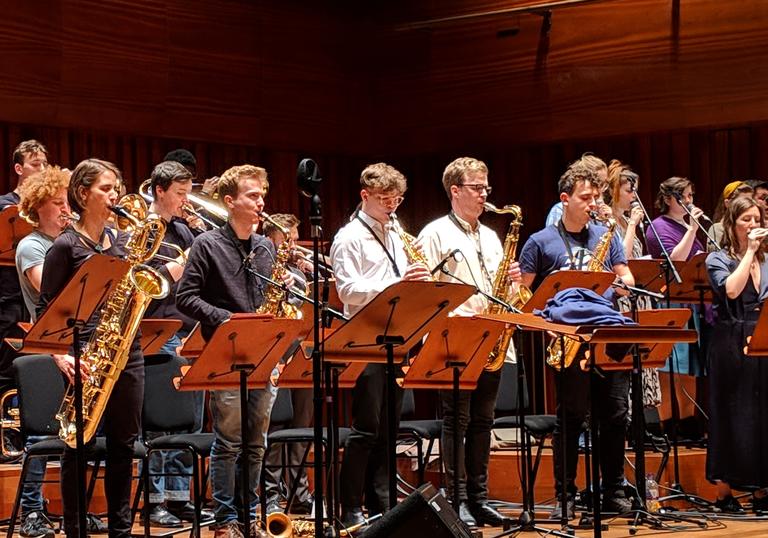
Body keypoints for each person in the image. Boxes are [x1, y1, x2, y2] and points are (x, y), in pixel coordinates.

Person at [177, 164, 293, 538]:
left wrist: (285, 289)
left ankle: (250, 516)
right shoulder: (207, 245)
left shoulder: (265, 247)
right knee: (229, 442)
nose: (262, 202)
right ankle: (225, 519)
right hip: (225, 354)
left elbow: (270, 300)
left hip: (263, 354)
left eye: (262, 195)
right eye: (253, 196)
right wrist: (226, 318)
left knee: (257, 443)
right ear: (230, 202)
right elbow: (185, 297)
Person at [519, 161, 635, 519]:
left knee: (615, 414)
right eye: (585, 197)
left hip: (605, 332)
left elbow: (626, 275)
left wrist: (618, 284)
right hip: (567, 338)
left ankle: (613, 490)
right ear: (564, 199)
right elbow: (522, 293)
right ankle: (564, 495)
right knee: (571, 418)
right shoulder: (540, 242)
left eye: (597, 196)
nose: (593, 202)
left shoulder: (606, 234)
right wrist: (547, 324)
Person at [38, 159, 142, 538]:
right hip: (83, 355)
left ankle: (121, 530)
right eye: (105, 189)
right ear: (83, 194)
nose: (114, 195)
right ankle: (75, 529)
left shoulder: (126, 242)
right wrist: (60, 354)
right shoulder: (65, 246)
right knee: (77, 443)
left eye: (116, 188)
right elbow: (44, 310)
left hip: (127, 351)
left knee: (123, 445)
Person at [418, 157, 518, 527]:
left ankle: (478, 498)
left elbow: (501, 287)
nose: (484, 195)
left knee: (483, 421)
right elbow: (425, 290)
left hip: (492, 336)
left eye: (486, 187)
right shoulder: (434, 233)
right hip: (456, 338)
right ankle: (456, 498)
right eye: (477, 188)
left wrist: (514, 281)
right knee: (456, 420)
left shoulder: (491, 236)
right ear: (455, 191)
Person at [330, 162, 431, 527]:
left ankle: (383, 503)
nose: (392, 205)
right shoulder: (348, 237)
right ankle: (350, 507)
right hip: (362, 339)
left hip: (396, 337)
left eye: (397, 199)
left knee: (390, 428)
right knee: (366, 428)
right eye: (385, 198)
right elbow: (347, 291)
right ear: (365, 195)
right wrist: (394, 284)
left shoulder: (396, 233)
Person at [142, 160, 214, 526]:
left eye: (189, 194)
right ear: (159, 191)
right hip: (158, 332)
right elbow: (141, 285)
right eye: (181, 194)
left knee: (190, 423)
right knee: (161, 424)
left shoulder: (187, 232)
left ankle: (179, 496)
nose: (187, 201)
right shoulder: (141, 231)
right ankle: (155, 500)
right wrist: (175, 267)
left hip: (190, 334)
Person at [13, 165, 71, 538]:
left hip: (81, 346)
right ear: (38, 207)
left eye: (68, 202)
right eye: (57, 203)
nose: (66, 210)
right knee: (40, 436)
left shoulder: (74, 240)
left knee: (78, 433)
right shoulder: (31, 246)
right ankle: (31, 511)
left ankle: (75, 506)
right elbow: (51, 295)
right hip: (51, 346)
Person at [705, 196, 768, 513]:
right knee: (730, 413)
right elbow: (731, 290)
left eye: (757, 219)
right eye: (746, 219)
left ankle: (760, 490)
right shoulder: (718, 258)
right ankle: (723, 492)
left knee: (762, 413)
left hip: (762, 334)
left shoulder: (767, 260)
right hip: (730, 340)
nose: (754, 225)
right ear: (732, 224)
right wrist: (751, 253)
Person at [261, 213, 314, 516]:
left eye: (295, 238)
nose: (292, 245)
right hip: (275, 353)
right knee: (276, 430)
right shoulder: (262, 265)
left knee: (300, 428)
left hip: (300, 353)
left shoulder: (297, 271)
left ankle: (298, 493)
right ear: (271, 238)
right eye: (287, 239)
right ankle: (269, 496)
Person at [605, 160, 661, 409]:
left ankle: (641, 416)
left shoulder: (627, 220)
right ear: (615, 191)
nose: (634, 196)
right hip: (620, 297)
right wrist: (632, 226)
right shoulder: (610, 222)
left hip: (637, 295)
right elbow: (621, 259)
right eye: (629, 190)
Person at [0, 141, 49, 390]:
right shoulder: (4, 204)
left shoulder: (48, 209)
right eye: (35, 164)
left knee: (37, 361)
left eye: (44, 164)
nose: (42, 169)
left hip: (37, 294)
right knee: (7, 362)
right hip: (10, 296)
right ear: (19, 168)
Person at [545, 153, 611, 226]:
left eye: (605, 184)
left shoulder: (599, 212)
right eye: (600, 184)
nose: (602, 190)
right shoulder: (559, 210)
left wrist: (606, 222)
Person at [708, 181, 753, 251]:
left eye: (750, 201)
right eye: (741, 202)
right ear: (727, 203)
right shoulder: (717, 230)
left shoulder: (754, 226)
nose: (747, 206)